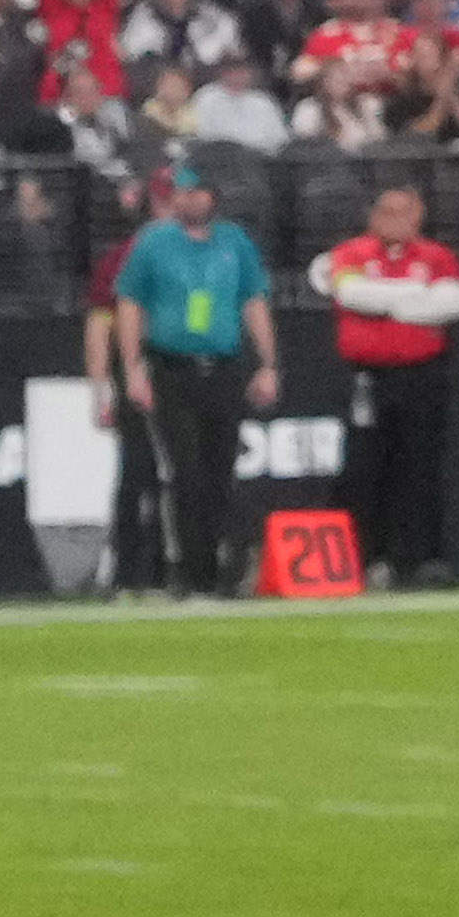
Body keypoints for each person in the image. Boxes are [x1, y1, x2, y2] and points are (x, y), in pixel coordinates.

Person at [98, 158, 275, 593]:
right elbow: (129, 305)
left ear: (212, 197)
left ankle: (222, 565)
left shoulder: (234, 243)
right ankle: (194, 571)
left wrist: (268, 363)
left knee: (220, 468)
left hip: (223, 365)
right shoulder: (153, 243)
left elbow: (253, 302)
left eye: (197, 192)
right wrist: (134, 367)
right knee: (185, 469)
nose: (189, 199)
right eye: (181, 192)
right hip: (171, 367)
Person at [311, 175, 459, 584]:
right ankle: (362, 558)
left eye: (404, 212)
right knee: (365, 468)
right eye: (387, 212)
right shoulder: (350, 252)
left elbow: (452, 303)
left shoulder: (437, 256)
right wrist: (415, 297)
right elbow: (350, 294)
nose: (395, 220)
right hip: (369, 378)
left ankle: (418, 561)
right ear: (372, 216)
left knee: (420, 468)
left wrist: (384, 299)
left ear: (419, 216)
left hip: (423, 376)